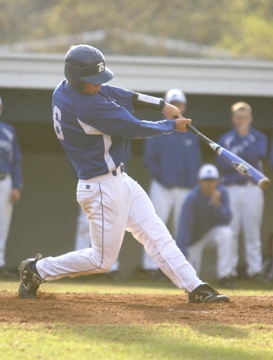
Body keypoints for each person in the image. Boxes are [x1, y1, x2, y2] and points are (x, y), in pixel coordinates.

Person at [18, 44, 229, 304]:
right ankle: (36, 270)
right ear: (76, 78)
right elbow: (135, 127)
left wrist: (161, 105)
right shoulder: (87, 107)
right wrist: (171, 125)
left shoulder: (63, 89)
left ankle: (195, 287)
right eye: (92, 81)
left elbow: (114, 92)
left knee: (157, 233)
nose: (98, 85)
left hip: (120, 181)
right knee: (102, 261)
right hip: (101, 187)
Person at [141, 89, 202, 279]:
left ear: (183, 107)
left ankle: (178, 270)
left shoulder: (191, 132)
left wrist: (192, 183)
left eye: (180, 104)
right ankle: (150, 268)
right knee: (153, 226)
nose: (177, 107)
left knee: (181, 229)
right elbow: (150, 159)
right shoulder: (159, 128)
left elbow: (197, 162)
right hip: (162, 187)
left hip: (185, 189)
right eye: (173, 103)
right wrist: (163, 178)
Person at [217, 102, 267, 282]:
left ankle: (255, 270)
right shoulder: (226, 138)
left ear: (250, 118)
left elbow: (258, 155)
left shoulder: (259, 136)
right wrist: (241, 158)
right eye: (238, 117)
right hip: (231, 188)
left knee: (253, 231)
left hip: (252, 188)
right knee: (231, 230)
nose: (242, 120)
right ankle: (227, 271)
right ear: (233, 119)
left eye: (245, 117)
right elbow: (223, 163)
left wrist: (238, 157)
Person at [176, 164, 236, 289]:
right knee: (187, 279)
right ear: (199, 182)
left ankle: (224, 276)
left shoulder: (222, 193)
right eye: (206, 181)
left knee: (226, 233)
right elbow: (184, 227)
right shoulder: (192, 198)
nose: (209, 184)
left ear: (217, 181)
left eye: (212, 180)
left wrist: (217, 204)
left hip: (211, 234)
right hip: (195, 239)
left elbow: (226, 220)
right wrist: (183, 251)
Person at [0, 96, 22, 278]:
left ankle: (0, 263)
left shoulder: (8, 130)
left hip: (4, 180)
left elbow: (16, 161)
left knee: (2, 223)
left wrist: (16, 185)